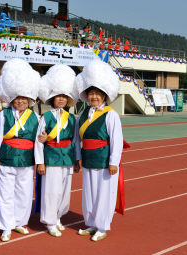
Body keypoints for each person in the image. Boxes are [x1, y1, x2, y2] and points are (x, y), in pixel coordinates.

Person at [0, 58, 40, 242]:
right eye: (17, 98)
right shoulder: (3, 115)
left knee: (24, 194)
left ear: (29, 98)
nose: (21, 101)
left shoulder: (36, 117)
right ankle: (6, 226)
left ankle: (18, 222)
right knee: (5, 193)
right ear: (11, 97)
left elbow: (40, 141)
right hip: (6, 159)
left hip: (26, 160)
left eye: (24, 98)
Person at [74, 60, 125, 242]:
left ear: (104, 95)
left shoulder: (111, 114)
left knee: (104, 194)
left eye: (97, 94)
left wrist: (113, 162)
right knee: (89, 194)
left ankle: (102, 226)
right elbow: (76, 139)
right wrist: (78, 158)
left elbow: (116, 140)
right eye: (91, 93)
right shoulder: (82, 114)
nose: (94, 97)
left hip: (104, 161)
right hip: (87, 159)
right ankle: (91, 223)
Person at [34, 64, 78, 237]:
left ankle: (59, 216)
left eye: (64, 96)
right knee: (51, 191)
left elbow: (75, 141)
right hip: (51, 157)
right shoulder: (46, 117)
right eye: (57, 96)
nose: (61, 99)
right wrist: (41, 162)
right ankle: (50, 221)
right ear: (52, 99)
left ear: (68, 99)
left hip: (67, 158)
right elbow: (39, 141)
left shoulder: (72, 119)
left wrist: (76, 160)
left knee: (65, 191)